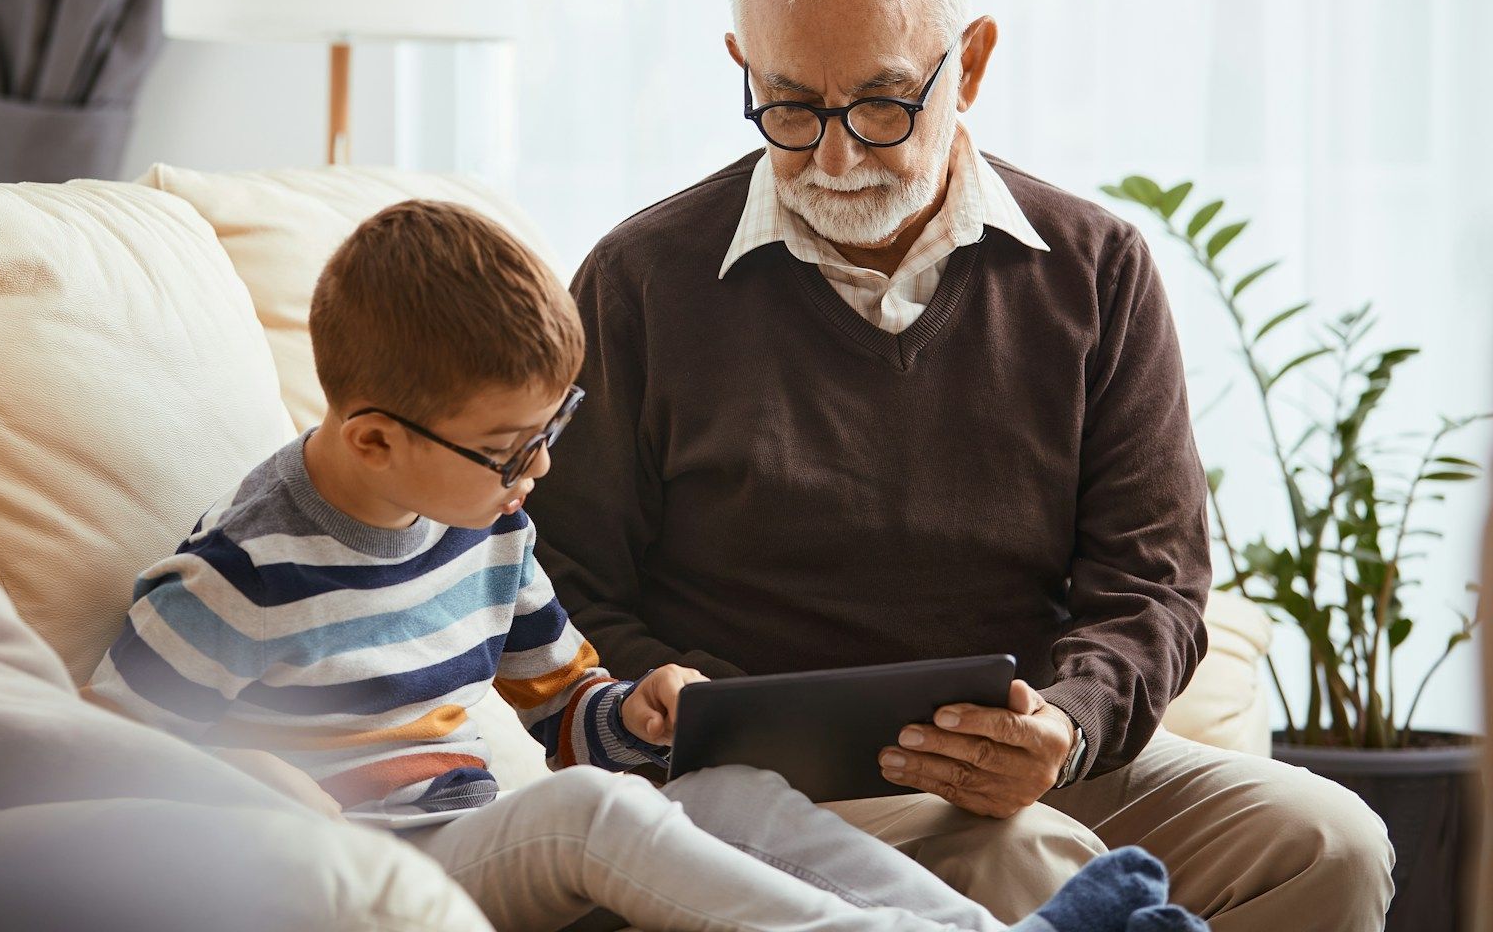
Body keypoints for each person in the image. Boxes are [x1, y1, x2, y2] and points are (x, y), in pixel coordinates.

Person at [528, 0, 1395, 929]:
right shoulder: (642, 279)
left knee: (1331, 845)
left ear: (970, 64)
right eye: (792, 107)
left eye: (883, 103)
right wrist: (649, 689)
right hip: (768, 786)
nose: (837, 157)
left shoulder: (1097, 267)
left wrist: (1066, 727)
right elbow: (561, 570)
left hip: (1036, 752)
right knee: (1026, 859)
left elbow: (1153, 580)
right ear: (743, 69)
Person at [88, 199, 1207, 932]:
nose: (537, 473)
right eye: (508, 449)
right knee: (588, 814)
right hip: (372, 876)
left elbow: (562, 707)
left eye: (551, 431)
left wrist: (643, 712)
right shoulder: (243, 578)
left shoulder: (487, 529)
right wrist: (253, 792)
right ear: (375, 437)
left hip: (481, 838)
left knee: (722, 786)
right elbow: (91, 749)